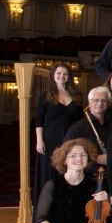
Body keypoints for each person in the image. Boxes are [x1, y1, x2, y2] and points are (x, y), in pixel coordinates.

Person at [34, 64, 84, 200]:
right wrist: (39, 140)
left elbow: (81, 120)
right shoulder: (45, 95)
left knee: (70, 170)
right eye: (58, 73)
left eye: (65, 74)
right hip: (50, 139)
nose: (61, 76)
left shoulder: (77, 94)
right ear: (53, 76)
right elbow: (39, 120)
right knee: (49, 172)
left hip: (71, 139)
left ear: (69, 77)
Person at [62, 86, 112, 165]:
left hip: (109, 173)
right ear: (89, 103)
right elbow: (66, 154)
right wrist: (96, 159)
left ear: (108, 103)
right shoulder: (78, 128)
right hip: (86, 174)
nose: (100, 103)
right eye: (96, 100)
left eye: (103, 100)